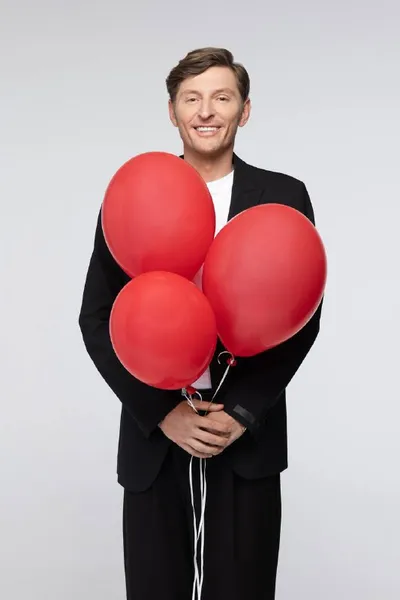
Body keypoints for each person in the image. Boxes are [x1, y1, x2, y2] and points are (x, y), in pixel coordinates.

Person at [79, 47, 323, 600]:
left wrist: (242, 413)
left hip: (245, 439)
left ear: (244, 109)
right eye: (192, 99)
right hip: (156, 437)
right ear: (173, 112)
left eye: (222, 97)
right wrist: (162, 413)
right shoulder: (134, 194)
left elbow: (301, 317)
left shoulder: (283, 196)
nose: (206, 111)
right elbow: (97, 317)